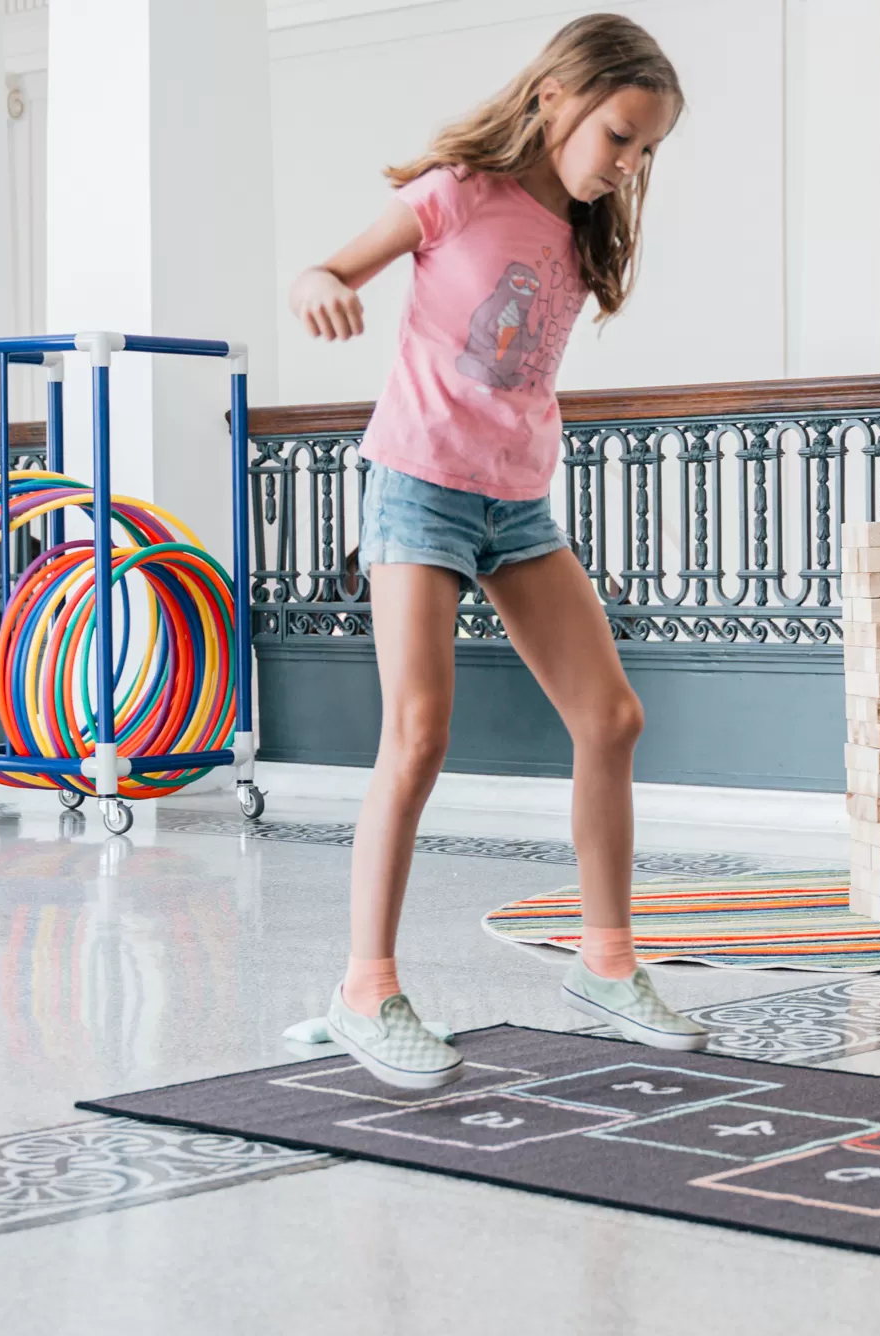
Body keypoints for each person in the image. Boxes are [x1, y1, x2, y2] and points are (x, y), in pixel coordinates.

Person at [286, 13, 704, 1088]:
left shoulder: (576, 230)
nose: (629, 165)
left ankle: (606, 965)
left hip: (516, 506)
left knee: (610, 717)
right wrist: (325, 287)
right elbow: (328, 268)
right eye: (620, 136)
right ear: (558, 95)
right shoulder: (455, 192)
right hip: (418, 489)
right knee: (418, 734)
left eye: (646, 150)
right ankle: (364, 990)